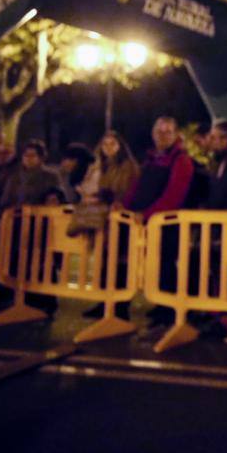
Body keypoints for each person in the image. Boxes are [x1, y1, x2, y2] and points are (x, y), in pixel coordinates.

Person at [123, 116, 195, 325]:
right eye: (159, 132)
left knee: (166, 265)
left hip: (167, 225)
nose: (163, 136)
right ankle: (160, 306)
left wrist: (147, 215)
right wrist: (125, 207)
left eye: (167, 132)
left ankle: (169, 310)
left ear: (176, 135)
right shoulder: (152, 158)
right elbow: (137, 187)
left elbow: (174, 195)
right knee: (154, 265)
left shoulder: (181, 160)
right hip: (146, 223)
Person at [77, 131, 140, 320]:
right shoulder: (99, 166)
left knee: (120, 264)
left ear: (120, 146)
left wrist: (103, 196)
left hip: (120, 220)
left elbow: (126, 190)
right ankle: (104, 303)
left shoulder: (127, 166)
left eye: (113, 144)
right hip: (103, 219)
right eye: (105, 144)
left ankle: (120, 308)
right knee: (104, 264)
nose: (109, 148)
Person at [0, 140, 63, 209]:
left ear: (41, 158)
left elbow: (56, 199)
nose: (28, 158)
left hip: (40, 215)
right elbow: (5, 201)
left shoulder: (50, 176)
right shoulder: (14, 176)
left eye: (32, 155)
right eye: (26, 155)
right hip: (15, 215)